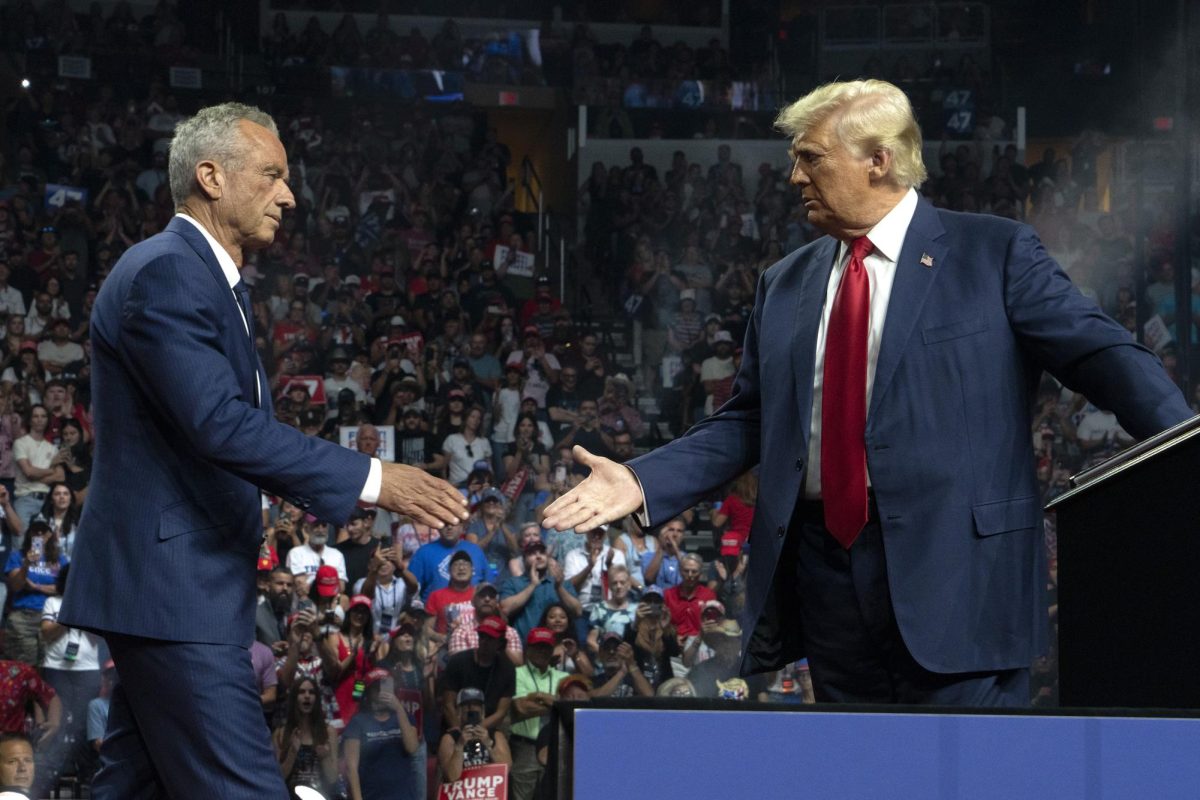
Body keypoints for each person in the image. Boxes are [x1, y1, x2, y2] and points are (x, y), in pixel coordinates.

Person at [544, 79, 1194, 708]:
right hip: (830, 587)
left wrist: (1182, 455)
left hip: (962, 581)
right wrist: (643, 480)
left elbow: (1101, 356)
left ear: (879, 160)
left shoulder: (991, 253)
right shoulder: (786, 283)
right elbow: (750, 421)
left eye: (810, 159)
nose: (794, 177)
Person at [58, 102, 468, 800]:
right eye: (272, 175)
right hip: (174, 594)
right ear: (211, 177)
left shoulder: (213, 282)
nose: (289, 194)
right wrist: (372, 477)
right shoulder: (168, 271)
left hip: (177, 592)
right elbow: (218, 423)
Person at [343, 669, 421, 800]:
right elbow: (351, 769)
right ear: (368, 693)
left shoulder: (405, 718)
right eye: (376, 688)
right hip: (371, 795)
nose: (381, 692)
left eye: (384, 687)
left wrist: (399, 708)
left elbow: (412, 747)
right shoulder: (358, 722)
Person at [509, 627, 567, 800]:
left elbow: (573, 705)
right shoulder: (516, 673)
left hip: (556, 749)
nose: (542, 651)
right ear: (528, 649)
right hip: (524, 747)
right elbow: (521, 708)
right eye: (538, 646)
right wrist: (557, 702)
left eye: (546, 647)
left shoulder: (563, 677)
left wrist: (540, 697)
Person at [271, 677, 338, 799]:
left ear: (317, 699)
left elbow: (333, 778)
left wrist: (325, 757)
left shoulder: (328, 732)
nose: (307, 696)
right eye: (301, 692)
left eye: (311, 692)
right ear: (294, 698)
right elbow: (277, 778)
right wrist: (292, 752)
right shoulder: (281, 733)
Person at [436, 687, 512, 785]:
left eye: (476, 705)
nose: (472, 708)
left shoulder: (495, 735)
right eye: (467, 706)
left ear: (483, 711)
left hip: (488, 791)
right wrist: (459, 746)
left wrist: (488, 744)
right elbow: (451, 777)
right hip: (461, 792)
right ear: (459, 711)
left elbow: (506, 770)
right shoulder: (450, 739)